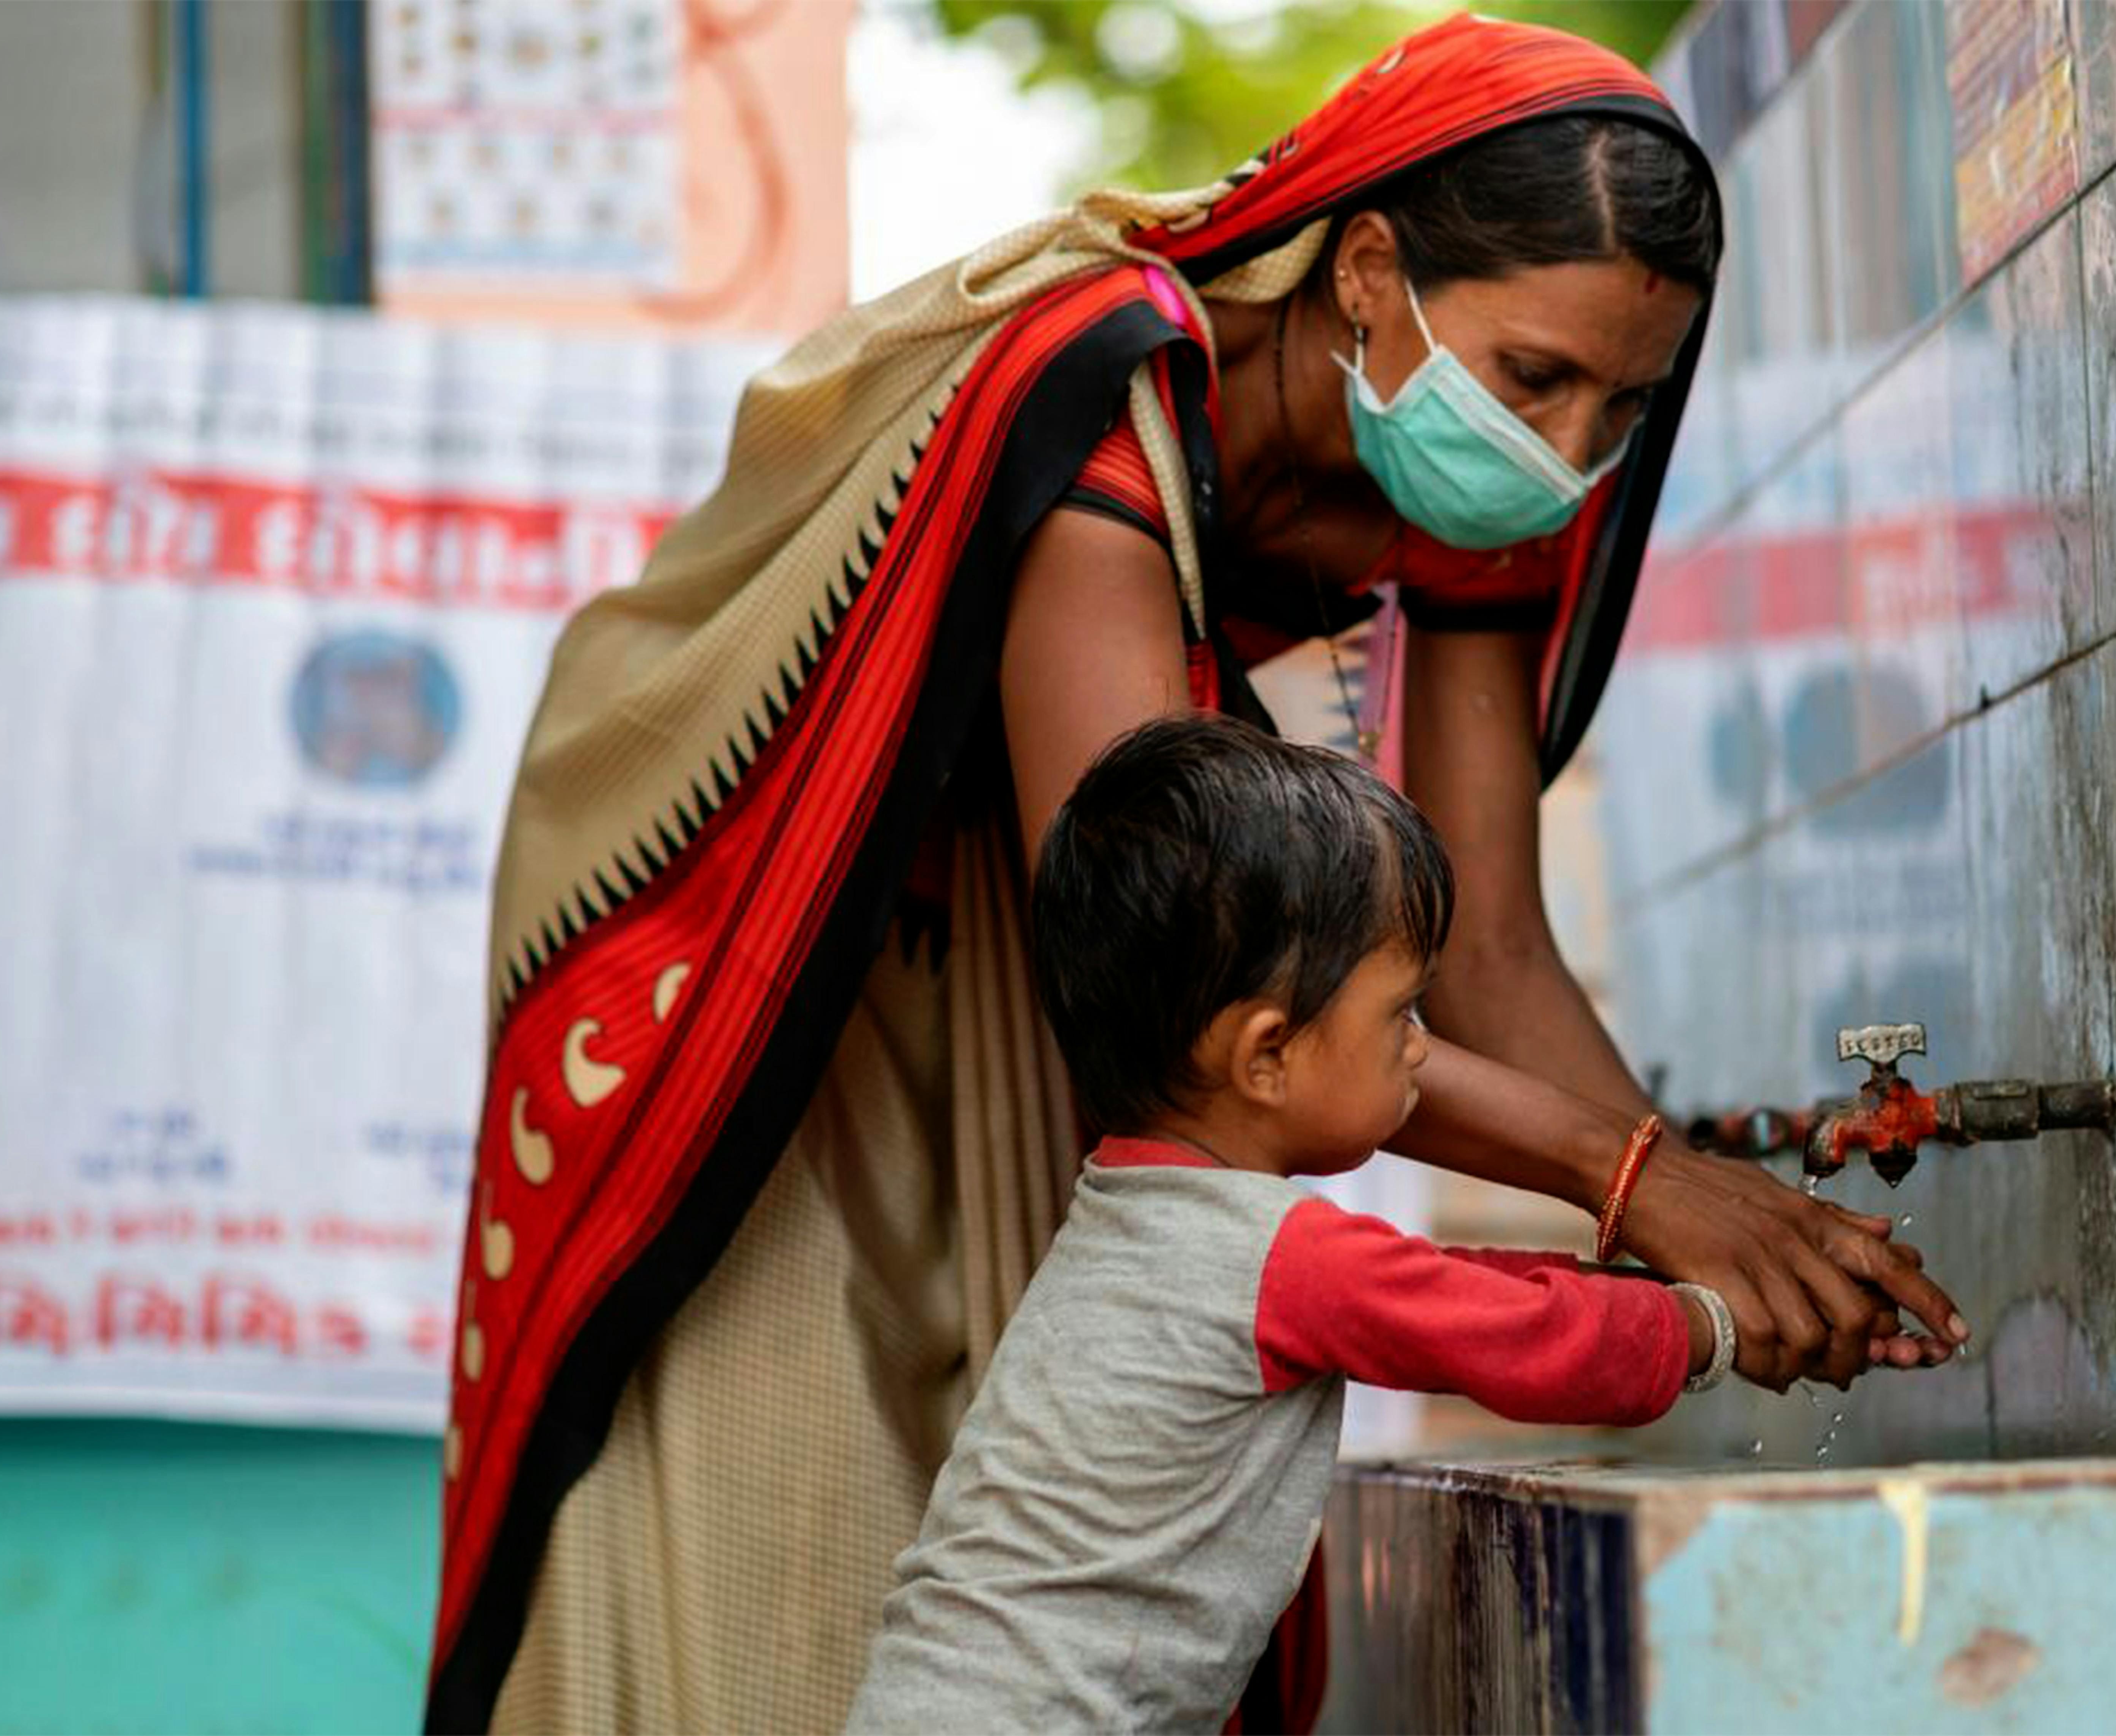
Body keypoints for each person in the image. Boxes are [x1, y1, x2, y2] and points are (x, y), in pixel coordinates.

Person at [428, 16, 1969, 1732]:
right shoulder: (1111, 384)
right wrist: (1643, 1192)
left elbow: (1495, 945)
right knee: (781, 1539)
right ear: (1370, 270)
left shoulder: (1494, 491)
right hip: (776, 966)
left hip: (1047, 967)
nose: (1569, 442)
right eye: (1537, 378)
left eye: (1622, 403)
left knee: (1071, 1493)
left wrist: (1708, 1219)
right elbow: (1198, 962)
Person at [844, 714, 1750, 1731]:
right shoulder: (1270, 1255)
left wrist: (1648, 1291)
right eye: (1402, 1010)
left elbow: (1446, 1289)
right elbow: (1525, 1339)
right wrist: (1716, 1327)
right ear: (1265, 1053)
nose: (1417, 1049)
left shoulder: (1147, 1214)